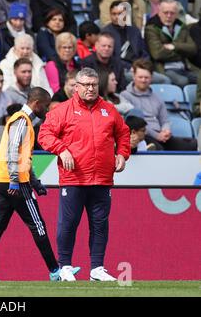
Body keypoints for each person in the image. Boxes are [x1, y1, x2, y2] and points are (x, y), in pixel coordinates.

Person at [0, 87, 77, 282]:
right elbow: (13, 153)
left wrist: (35, 182)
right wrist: (16, 181)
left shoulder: (19, 120)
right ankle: (56, 271)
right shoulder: (22, 120)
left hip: (1, 179)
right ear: (36, 104)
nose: (46, 111)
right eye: (45, 107)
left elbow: (23, 158)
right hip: (14, 183)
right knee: (37, 225)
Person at [38, 67, 131, 281]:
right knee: (68, 224)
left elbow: (124, 133)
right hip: (74, 178)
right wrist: (62, 150)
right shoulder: (62, 110)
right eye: (86, 85)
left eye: (94, 85)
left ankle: (97, 268)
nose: (90, 88)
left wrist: (123, 154)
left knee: (100, 224)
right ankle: (65, 267)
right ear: (76, 87)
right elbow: (44, 134)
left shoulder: (109, 110)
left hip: (102, 178)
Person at [120, 58, 197, 150]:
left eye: (147, 77)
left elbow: (165, 120)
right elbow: (134, 124)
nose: (143, 80)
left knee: (192, 144)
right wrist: (156, 135)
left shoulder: (156, 97)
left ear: (151, 77)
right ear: (134, 76)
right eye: (140, 77)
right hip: (143, 137)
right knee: (158, 149)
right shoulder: (125, 96)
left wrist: (166, 130)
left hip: (161, 136)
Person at [102, 0, 171, 84]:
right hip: (121, 69)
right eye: (114, 14)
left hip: (140, 67)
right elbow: (110, 58)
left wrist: (145, 65)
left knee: (165, 80)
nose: (117, 17)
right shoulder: (106, 33)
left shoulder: (134, 30)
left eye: (120, 14)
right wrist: (131, 67)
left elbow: (144, 52)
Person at [145, 0, 198, 88]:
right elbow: (157, 54)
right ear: (159, 12)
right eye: (166, 12)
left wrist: (174, 46)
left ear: (176, 14)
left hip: (184, 67)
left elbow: (193, 49)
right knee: (183, 81)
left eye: (172, 13)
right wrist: (182, 52)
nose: (169, 16)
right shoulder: (151, 27)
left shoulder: (181, 26)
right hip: (165, 69)